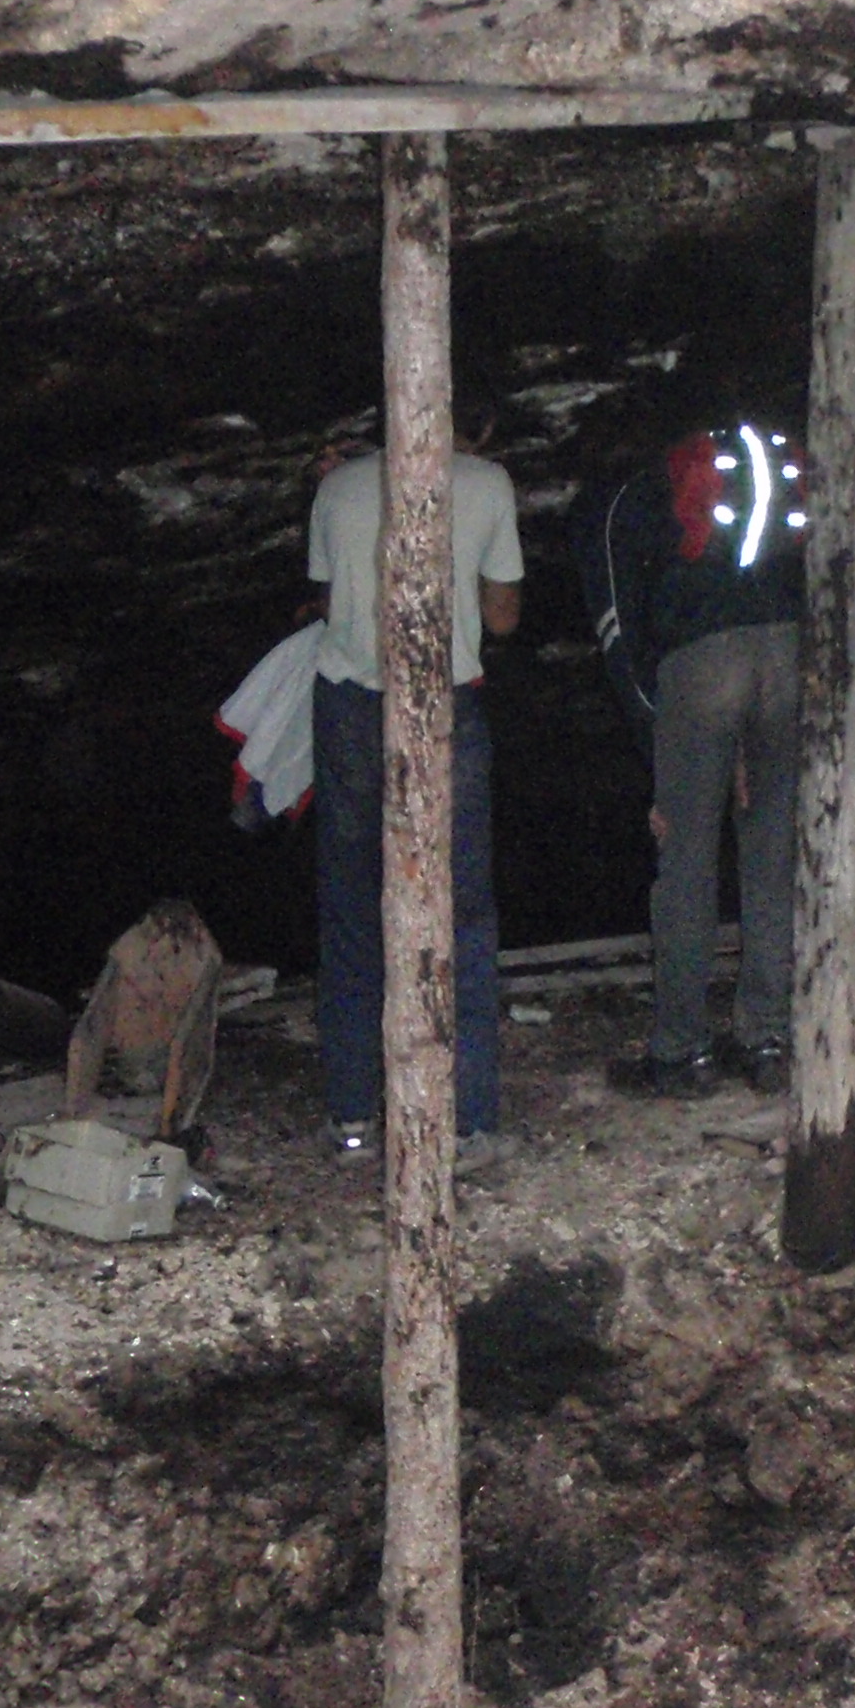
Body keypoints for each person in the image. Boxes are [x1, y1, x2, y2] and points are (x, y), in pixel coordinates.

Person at [305, 428, 522, 1166]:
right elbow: (503, 617)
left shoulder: (337, 487)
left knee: (351, 903)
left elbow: (328, 599)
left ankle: (352, 1115)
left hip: (349, 707)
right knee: (463, 908)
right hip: (447, 701)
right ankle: (469, 1119)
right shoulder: (487, 483)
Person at [580, 420, 809, 1098]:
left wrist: (657, 756)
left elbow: (619, 632)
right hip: (786, 650)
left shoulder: (619, 499)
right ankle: (767, 1037)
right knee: (770, 855)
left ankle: (682, 1051)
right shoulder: (735, 469)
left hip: (704, 664)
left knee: (685, 862)